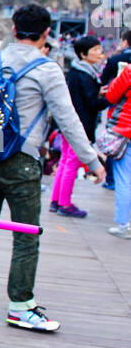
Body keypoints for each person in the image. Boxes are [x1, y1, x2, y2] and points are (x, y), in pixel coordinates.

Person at [0, 4, 105, 330]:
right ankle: (20, 306)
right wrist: (92, 161)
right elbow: (68, 120)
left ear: (14, 29)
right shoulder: (47, 69)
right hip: (22, 162)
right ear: (46, 33)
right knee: (26, 234)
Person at [49, 36, 106, 218]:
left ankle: (56, 200)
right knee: (72, 163)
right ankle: (65, 204)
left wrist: (98, 92)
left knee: (65, 161)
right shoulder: (84, 74)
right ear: (83, 54)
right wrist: (108, 98)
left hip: (69, 125)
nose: (100, 53)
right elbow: (92, 102)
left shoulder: (76, 72)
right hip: (79, 126)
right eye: (96, 49)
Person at [99, 28, 131, 191]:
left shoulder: (118, 61)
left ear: (125, 41)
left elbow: (110, 94)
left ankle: (111, 180)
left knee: (123, 174)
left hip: (121, 124)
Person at [103, 58, 131, 238]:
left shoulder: (129, 71)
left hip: (126, 130)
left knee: (124, 178)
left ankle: (123, 224)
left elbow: (111, 96)